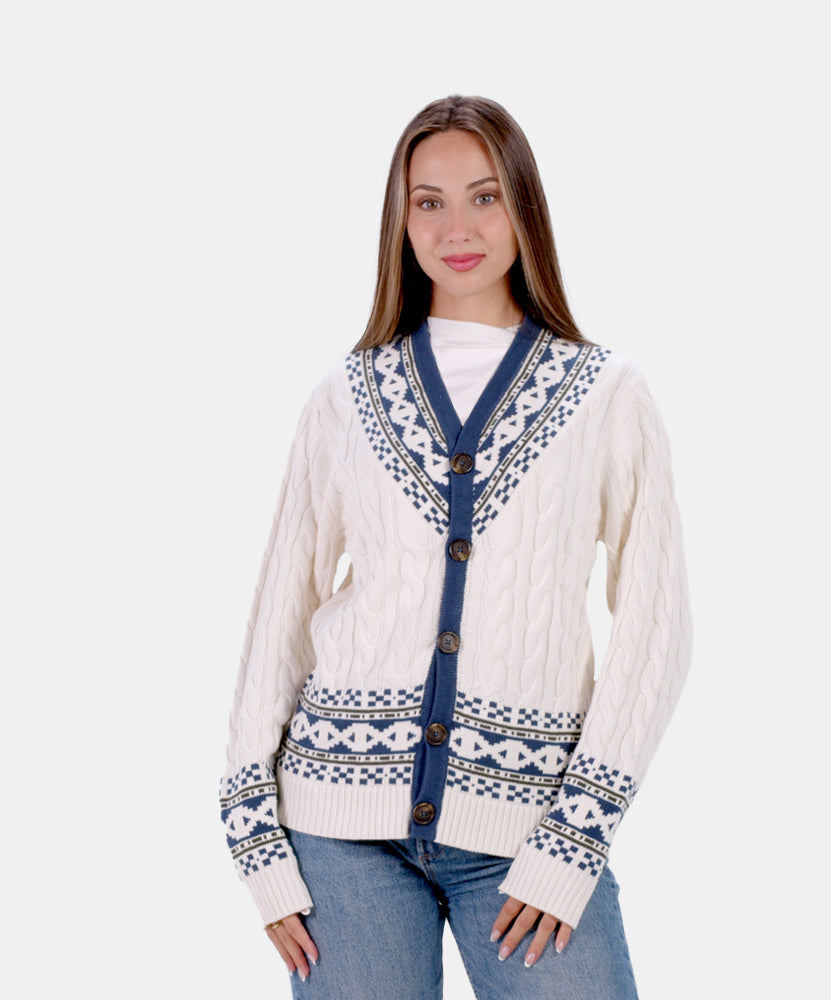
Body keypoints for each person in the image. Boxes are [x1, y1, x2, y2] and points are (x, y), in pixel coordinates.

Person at [219, 94, 692, 1000]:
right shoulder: (345, 395)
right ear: (400, 222)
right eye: (427, 202)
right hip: (337, 832)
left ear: (524, 206)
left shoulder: (606, 395)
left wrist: (576, 835)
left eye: (484, 196)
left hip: (528, 837)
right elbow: (279, 615)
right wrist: (255, 836)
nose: (457, 228)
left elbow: (657, 630)